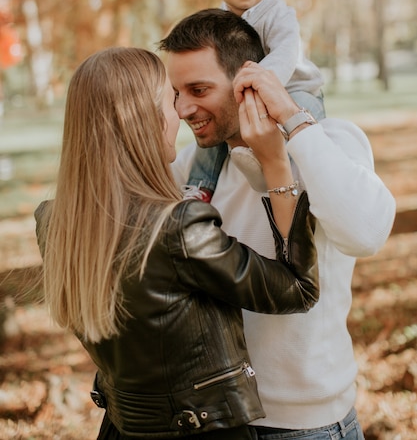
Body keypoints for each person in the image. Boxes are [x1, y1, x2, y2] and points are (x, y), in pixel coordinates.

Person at [34, 46, 320, 440]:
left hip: (123, 428)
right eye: (171, 99)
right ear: (144, 119)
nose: (181, 112)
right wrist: (275, 164)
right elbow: (298, 290)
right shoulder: (176, 229)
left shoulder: (54, 224)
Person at [158, 9, 397, 440]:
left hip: (305, 425)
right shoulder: (199, 170)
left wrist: (291, 120)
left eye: (198, 89)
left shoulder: (332, 140)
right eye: (175, 92)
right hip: (221, 419)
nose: (183, 108)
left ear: (249, 80)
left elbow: (367, 233)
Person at [186, 0, 325, 201]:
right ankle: (199, 186)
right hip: (244, 92)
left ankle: (283, 169)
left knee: (302, 117)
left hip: (294, 89)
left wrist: (262, 82)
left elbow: (285, 54)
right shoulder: (218, 24)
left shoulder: (278, 14)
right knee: (214, 124)